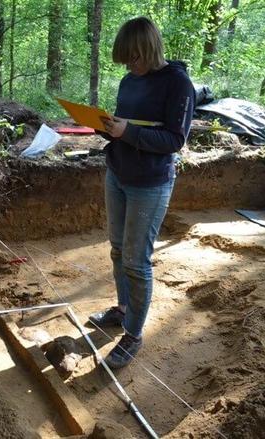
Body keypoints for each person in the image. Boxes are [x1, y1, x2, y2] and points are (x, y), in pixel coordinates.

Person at [89, 17, 195, 369]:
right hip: (118, 173)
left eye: (134, 58)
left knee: (136, 260)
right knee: (118, 250)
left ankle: (133, 334)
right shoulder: (128, 80)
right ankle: (122, 310)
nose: (130, 67)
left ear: (149, 50)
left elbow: (174, 141)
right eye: (125, 61)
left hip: (150, 182)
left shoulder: (178, 85)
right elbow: (125, 126)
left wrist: (127, 133)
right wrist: (106, 128)